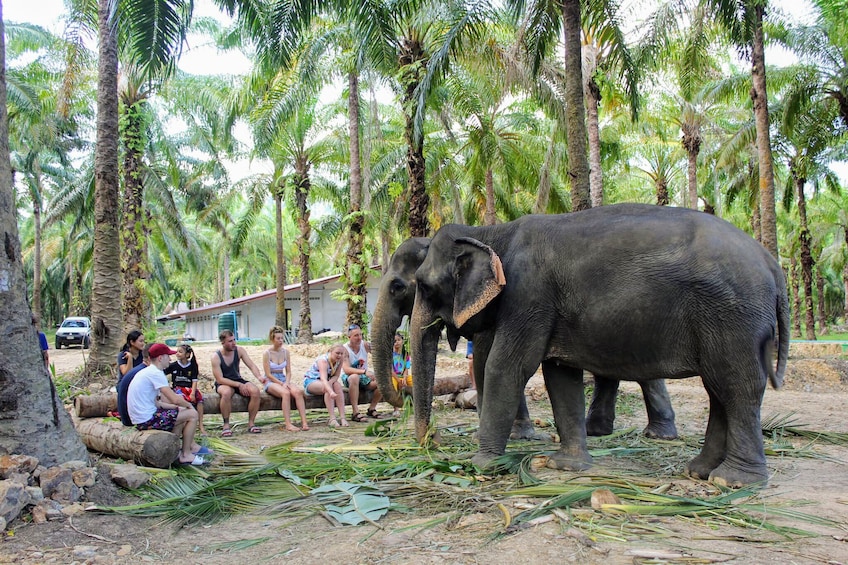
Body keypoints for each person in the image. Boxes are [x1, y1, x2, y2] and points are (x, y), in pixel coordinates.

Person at [126, 343, 209, 466]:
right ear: (160, 358)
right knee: (192, 414)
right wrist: (189, 406)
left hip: (141, 417)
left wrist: (177, 408)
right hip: (146, 419)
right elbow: (174, 399)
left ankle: (173, 452)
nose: (170, 359)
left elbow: (157, 403)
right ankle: (186, 454)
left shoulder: (148, 371)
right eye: (168, 356)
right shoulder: (156, 373)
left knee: (180, 413)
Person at [211, 329, 263, 436]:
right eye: (230, 341)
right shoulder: (216, 357)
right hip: (224, 382)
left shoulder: (239, 350)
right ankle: (226, 425)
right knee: (226, 393)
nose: (233, 343)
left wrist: (259, 377)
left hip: (237, 379)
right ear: (223, 343)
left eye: (234, 340)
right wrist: (239, 385)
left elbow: (251, 365)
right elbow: (220, 379)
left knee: (255, 391)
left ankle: (251, 423)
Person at [262, 326, 309, 432]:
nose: (280, 341)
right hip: (271, 380)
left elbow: (288, 371)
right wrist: (280, 383)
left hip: (283, 378)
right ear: (272, 339)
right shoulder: (267, 353)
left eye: (282, 338)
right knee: (285, 393)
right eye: (278, 338)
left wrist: (286, 382)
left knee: (297, 392)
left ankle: (304, 422)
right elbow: (268, 374)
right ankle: (288, 423)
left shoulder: (285, 352)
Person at [341, 324, 383, 422]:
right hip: (349, 377)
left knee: (382, 381)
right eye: (356, 335)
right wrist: (364, 371)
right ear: (349, 337)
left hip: (364, 378)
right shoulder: (344, 349)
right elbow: (347, 369)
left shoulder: (365, 345)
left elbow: (379, 353)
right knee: (354, 377)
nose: (359, 338)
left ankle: (372, 408)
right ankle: (355, 412)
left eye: (360, 335)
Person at [165, 344, 207, 436]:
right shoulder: (173, 366)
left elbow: (194, 380)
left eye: (180, 352)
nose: (177, 354)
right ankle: (185, 425)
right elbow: (162, 374)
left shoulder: (193, 365)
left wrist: (192, 393)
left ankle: (200, 425)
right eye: (177, 351)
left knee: (199, 400)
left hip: (190, 388)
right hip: (178, 388)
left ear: (187, 355)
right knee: (182, 400)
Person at [303, 344, 347, 427]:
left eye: (341, 353)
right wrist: (330, 391)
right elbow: (323, 378)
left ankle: (342, 417)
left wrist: (330, 383)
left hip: (327, 380)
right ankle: (332, 418)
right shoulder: (323, 360)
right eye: (337, 353)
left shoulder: (340, 360)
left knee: (337, 385)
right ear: (331, 351)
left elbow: (336, 376)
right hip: (312, 380)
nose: (339, 355)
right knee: (327, 388)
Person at [116, 345, 151, 425]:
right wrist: (130, 359)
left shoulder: (141, 358)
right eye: (140, 341)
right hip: (133, 419)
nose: (143, 343)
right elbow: (125, 373)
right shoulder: (149, 372)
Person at [390, 332, 411, 417]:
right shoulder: (390, 354)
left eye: (399, 340)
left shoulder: (405, 353)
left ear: (402, 341)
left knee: (414, 381)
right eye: (395, 341)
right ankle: (396, 408)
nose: (397, 342)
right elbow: (390, 370)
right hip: (394, 376)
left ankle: (412, 404)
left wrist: (405, 378)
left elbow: (406, 368)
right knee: (393, 385)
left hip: (403, 376)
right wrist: (398, 380)